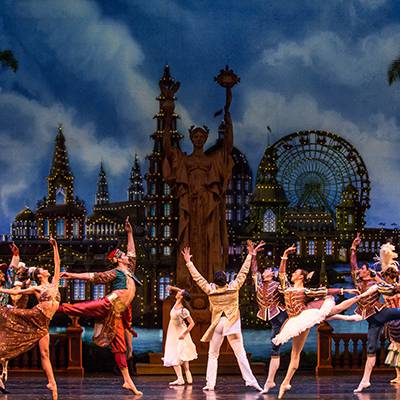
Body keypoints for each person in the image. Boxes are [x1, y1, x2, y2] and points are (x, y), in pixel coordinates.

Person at [58, 217, 142, 396]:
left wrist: (129, 233)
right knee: (83, 307)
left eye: (126, 256)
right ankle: (55, 308)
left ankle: (128, 381)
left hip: (117, 313)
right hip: (109, 303)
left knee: (120, 348)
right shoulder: (116, 272)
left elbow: (132, 251)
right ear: (119, 260)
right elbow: (93, 276)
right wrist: (71, 275)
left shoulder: (130, 270)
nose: (128, 256)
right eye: (124, 256)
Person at [274, 245, 366, 399]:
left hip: (304, 317)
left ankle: (357, 300)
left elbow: (325, 291)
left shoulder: (305, 291)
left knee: (333, 310)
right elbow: (282, 273)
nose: (292, 274)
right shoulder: (287, 288)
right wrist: (284, 255)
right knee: (294, 354)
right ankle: (286, 383)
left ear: (301, 277)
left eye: (295, 273)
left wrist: (345, 290)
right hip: (294, 321)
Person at [182, 240, 264, 392]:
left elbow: (198, 278)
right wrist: (250, 255)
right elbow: (243, 272)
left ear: (215, 281)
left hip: (218, 324)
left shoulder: (210, 290)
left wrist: (189, 263)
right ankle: (250, 380)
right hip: (231, 323)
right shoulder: (234, 287)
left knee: (213, 355)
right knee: (240, 353)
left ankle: (210, 384)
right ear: (226, 280)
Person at [0, 237, 61, 400]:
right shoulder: (37, 288)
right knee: (9, 311)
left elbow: (57, 263)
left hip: (43, 325)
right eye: (43, 269)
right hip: (35, 316)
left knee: (45, 354)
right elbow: (15, 292)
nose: (46, 270)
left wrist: (55, 247)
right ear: (39, 275)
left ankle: (52, 385)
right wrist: (1, 290)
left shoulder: (55, 283)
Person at [350, 234, 400, 393]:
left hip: (382, 312)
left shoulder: (375, 281)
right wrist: (353, 248)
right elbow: (353, 264)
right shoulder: (358, 281)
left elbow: (390, 287)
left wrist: (380, 279)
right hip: (374, 320)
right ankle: (365, 381)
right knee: (371, 348)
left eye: (363, 269)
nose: (360, 271)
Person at [250, 244, 287, 394]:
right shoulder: (259, 285)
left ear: (271, 274)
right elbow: (254, 271)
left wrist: (284, 257)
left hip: (282, 316)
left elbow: (283, 276)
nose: (264, 271)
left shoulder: (277, 284)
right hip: (273, 318)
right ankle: (270, 381)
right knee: (274, 347)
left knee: (275, 345)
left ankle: (270, 380)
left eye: (267, 270)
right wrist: (253, 255)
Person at [163, 285, 197, 385]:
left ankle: (186, 374)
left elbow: (192, 324)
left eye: (179, 293)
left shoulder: (183, 310)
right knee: (176, 354)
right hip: (173, 332)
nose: (177, 293)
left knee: (180, 354)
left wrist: (184, 334)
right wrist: (172, 288)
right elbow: (182, 291)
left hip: (179, 333)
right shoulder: (176, 304)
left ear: (181, 297)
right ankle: (181, 378)